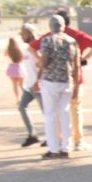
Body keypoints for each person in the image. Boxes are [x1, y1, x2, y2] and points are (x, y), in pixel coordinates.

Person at [35, 13, 80, 159]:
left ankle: (53, 148)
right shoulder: (72, 41)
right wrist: (76, 85)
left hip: (50, 81)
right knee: (65, 114)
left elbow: (44, 62)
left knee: (51, 116)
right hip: (66, 81)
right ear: (64, 26)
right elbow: (77, 65)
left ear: (50, 27)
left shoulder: (47, 40)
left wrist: (38, 67)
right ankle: (66, 147)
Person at [56, 9, 92, 151]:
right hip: (75, 77)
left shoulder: (51, 35)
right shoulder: (76, 35)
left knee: (59, 110)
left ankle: (61, 140)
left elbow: (34, 48)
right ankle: (78, 140)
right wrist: (83, 59)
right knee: (76, 109)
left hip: (56, 78)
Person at [14, 25, 40, 146]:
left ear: (30, 34)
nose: (21, 36)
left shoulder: (38, 48)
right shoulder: (27, 48)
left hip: (38, 86)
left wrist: (38, 82)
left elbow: (42, 65)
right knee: (22, 107)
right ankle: (32, 134)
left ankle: (54, 136)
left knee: (48, 113)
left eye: (23, 33)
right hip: (29, 86)